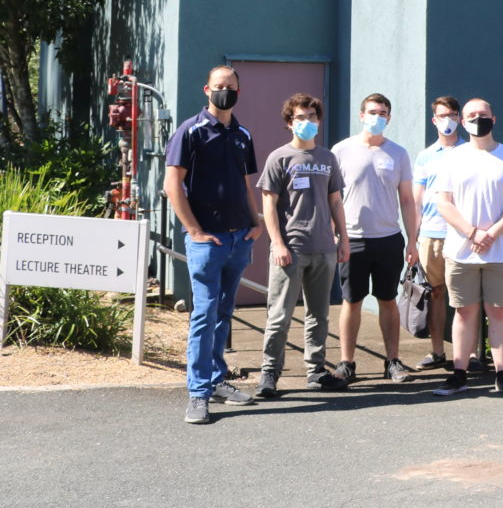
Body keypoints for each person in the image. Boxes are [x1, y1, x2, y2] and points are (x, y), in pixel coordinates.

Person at [164, 65, 263, 423]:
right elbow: (172, 185)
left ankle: (217, 380)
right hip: (207, 241)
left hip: (239, 239)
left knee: (223, 314)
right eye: (219, 86)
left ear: (239, 90)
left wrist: (257, 224)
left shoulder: (243, 134)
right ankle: (198, 393)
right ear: (207, 89)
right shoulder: (189, 132)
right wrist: (193, 230)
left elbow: (245, 184)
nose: (225, 91)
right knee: (204, 316)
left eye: (231, 87)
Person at [430, 99, 503, 397]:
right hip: (461, 251)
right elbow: (443, 203)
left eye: (483, 115)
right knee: (464, 312)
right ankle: (459, 373)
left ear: (494, 119)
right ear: (463, 122)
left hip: (500, 252)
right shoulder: (452, 158)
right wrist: (473, 233)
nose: (478, 119)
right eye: (472, 115)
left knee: (498, 312)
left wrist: (491, 234)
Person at [256, 93, 348, 398]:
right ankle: (270, 372)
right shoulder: (279, 158)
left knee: (319, 314)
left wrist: (343, 240)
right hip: (291, 249)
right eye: (300, 117)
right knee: (280, 314)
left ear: (318, 120)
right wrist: (277, 244)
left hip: (324, 248)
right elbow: (268, 205)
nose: (306, 122)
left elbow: (336, 201)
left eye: (311, 117)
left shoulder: (327, 158)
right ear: (289, 122)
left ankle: (316, 371)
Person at [332, 92, 419, 384]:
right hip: (353, 240)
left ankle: (392, 361)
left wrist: (413, 241)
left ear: (389, 118)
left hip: (388, 239)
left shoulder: (398, 153)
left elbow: (407, 200)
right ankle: (346, 363)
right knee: (351, 302)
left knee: (388, 300)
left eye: (383, 113)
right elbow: (331, 198)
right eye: (372, 112)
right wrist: (337, 234)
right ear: (361, 115)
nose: (377, 117)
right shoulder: (341, 151)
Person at [413, 95, 464, 370]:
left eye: (452, 115)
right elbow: (416, 200)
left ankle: (468, 354)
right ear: (434, 120)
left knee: (466, 297)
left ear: (460, 118)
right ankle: (437, 352)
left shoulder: (470, 151)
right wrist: (413, 237)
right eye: (442, 116)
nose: (448, 121)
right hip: (431, 236)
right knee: (435, 294)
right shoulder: (425, 156)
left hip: (461, 235)